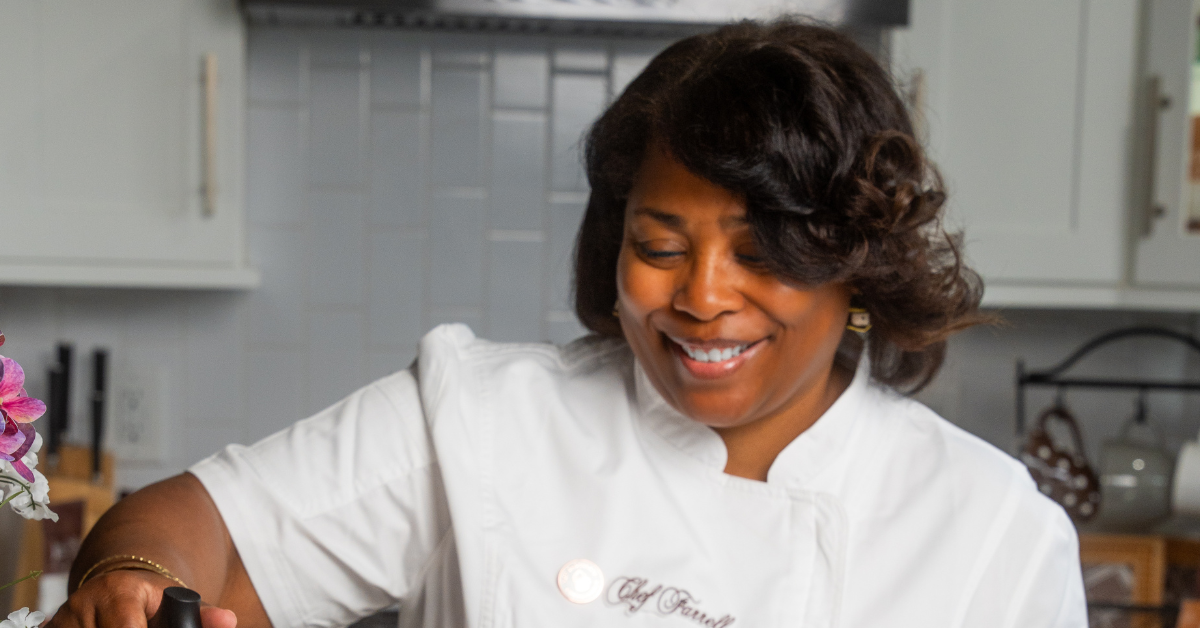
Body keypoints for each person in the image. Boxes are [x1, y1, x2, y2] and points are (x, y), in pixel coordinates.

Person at [49, 19, 1085, 628]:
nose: (702, 295)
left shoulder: (988, 530)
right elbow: (204, 529)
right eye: (662, 242)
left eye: (762, 252)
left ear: (854, 262)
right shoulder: (485, 420)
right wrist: (130, 581)